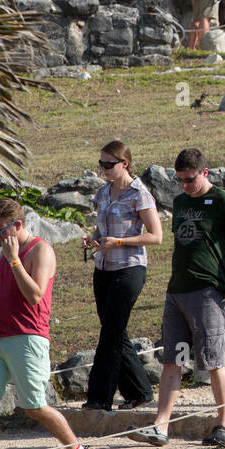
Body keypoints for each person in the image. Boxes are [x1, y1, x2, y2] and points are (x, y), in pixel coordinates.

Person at [0, 200, 99, 449]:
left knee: (34, 405)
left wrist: (14, 261)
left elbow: (34, 295)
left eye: (1, 232)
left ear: (18, 226)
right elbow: (9, 295)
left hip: (28, 336)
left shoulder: (40, 251)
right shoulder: (7, 253)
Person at [128, 148, 225, 447]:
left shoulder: (223, 200)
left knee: (213, 360)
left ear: (205, 173)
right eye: (180, 180)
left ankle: (223, 424)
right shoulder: (180, 201)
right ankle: (161, 426)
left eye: (189, 179)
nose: (185, 185)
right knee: (172, 359)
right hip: (177, 290)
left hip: (207, 291)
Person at [82, 141, 162, 411]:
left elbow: (156, 236)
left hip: (129, 268)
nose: (103, 169)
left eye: (108, 164)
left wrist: (118, 242)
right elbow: (100, 229)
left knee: (111, 332)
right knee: (115, 330)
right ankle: (139, 391)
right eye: (101, 164)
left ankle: (99, 397)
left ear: (124, 164)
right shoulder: (103, 192)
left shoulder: (140, 193)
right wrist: (93, 240)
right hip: (103, 267)